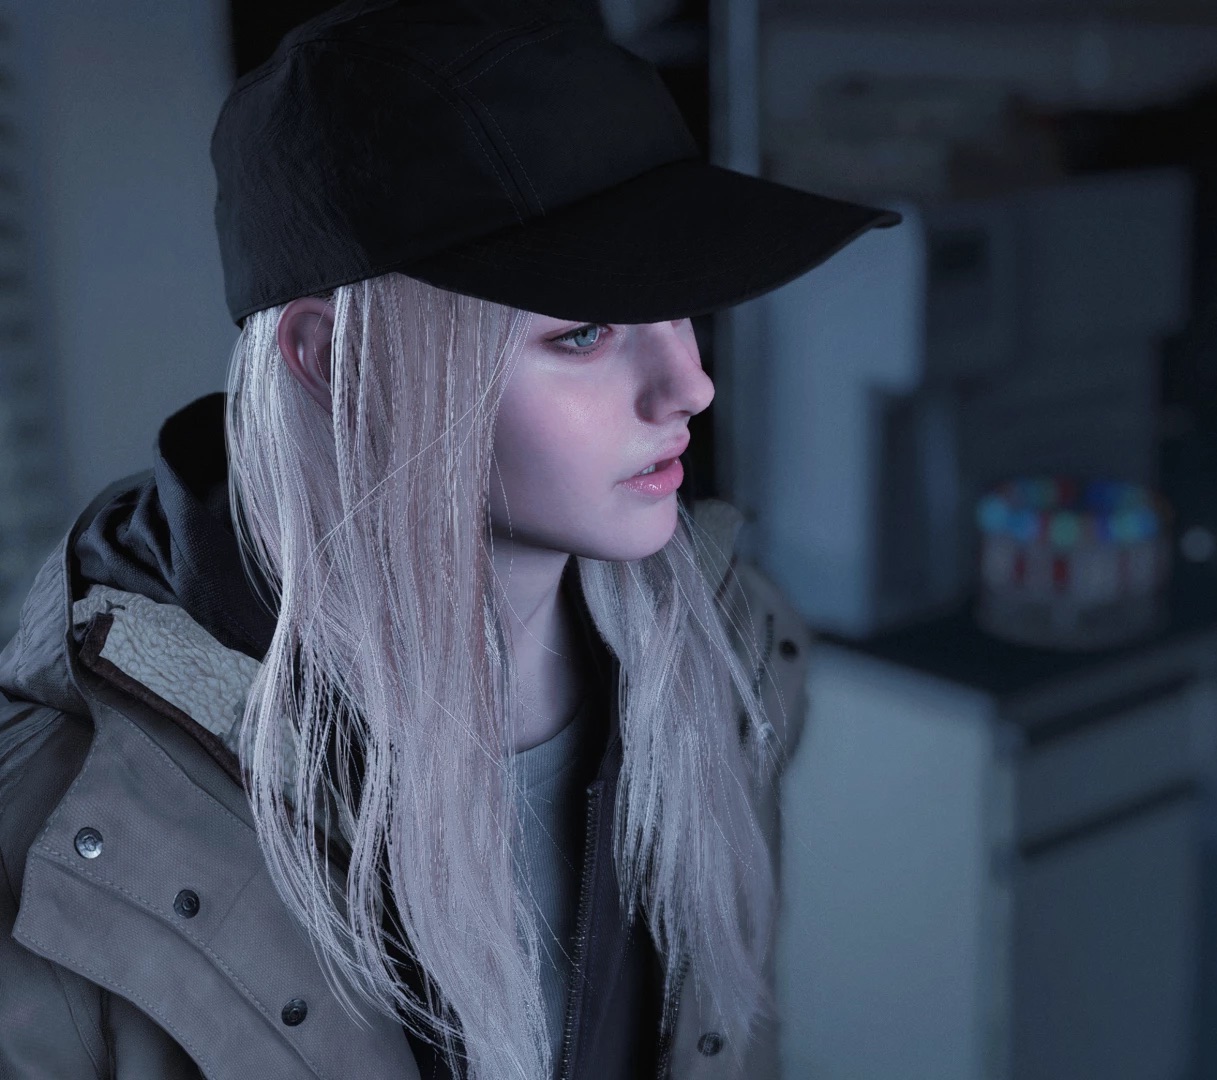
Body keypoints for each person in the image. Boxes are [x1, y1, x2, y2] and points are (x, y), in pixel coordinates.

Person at [0, 2, 899, 1078]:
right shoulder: (69, 825)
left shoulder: (731, 656)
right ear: (331, 360)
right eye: (586, 331)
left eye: (680, 302)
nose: (689, 384)